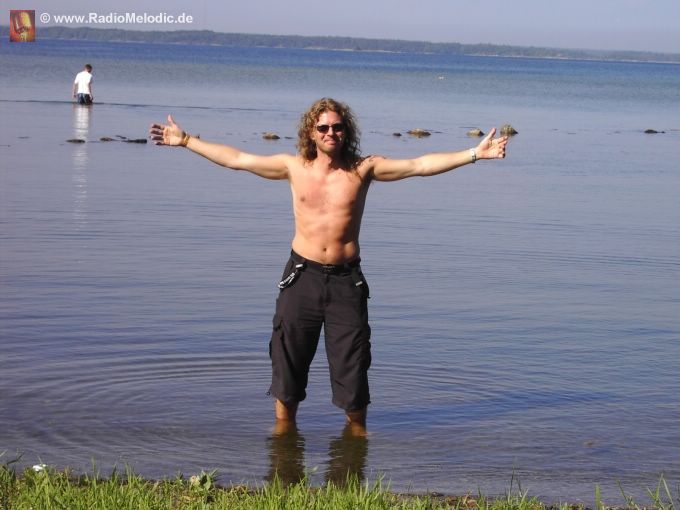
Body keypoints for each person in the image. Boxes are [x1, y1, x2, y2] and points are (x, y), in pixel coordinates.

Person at [149, 97, 508, 432]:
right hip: (300, 277)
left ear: (346, 131)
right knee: (288, 367)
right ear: (311, 132)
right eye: (323, 128)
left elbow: (419, 165)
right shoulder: (293, 167)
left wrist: (474, 154)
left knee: (353, 370)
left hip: (345, 282)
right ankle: (284, 443)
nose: (330, 133)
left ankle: (356, 446)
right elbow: (237, 159)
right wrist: (186, 141)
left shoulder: (364, 169)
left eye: (337, 127)